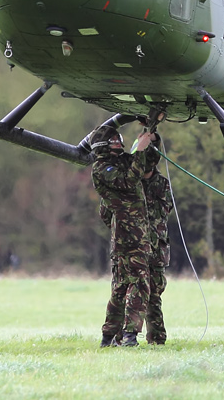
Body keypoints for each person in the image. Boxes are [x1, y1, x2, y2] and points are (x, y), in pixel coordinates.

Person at [89, 125, 155, 348]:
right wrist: (140, 151)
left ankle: (108, 338)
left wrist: (148, 137)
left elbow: (146, 164)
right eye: (114, 140)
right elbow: (129, 181)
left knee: (122, 286)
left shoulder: (121, 161)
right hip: (127, 236)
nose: (119, 142)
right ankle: (128, 335)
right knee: (138, 283)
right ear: (103, 144)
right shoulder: (102, 168)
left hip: (136, 233)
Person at [140, 136, 173, 345]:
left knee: (154, 294)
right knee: (130, 291)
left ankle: (157, 337)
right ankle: (125, 335)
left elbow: (165, 209)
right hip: (134, 246)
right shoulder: (131, 182)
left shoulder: (162, 184)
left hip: (156, 248)